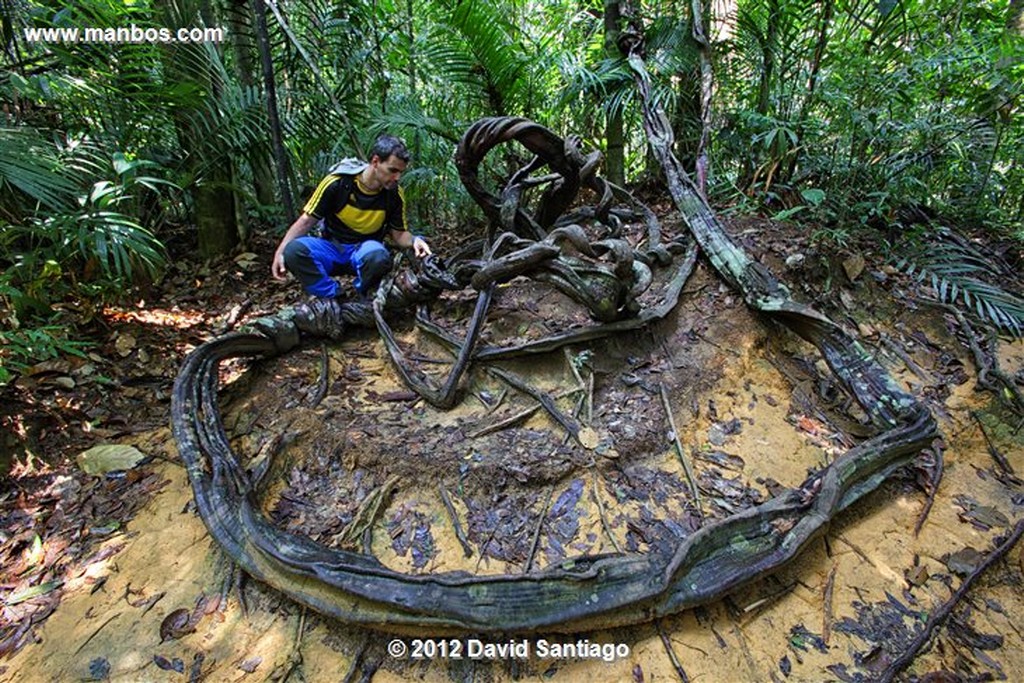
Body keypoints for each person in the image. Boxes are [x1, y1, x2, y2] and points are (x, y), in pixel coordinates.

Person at [271, 135, 432, 299]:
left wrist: (414, 240)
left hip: (364, 251)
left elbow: (398, 235)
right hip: (332, 248)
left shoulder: (394, 195)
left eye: (400, 172)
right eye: (393, 170)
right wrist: (281, 251)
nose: (397, 177)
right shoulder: (337, 183)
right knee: (294, 251)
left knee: (379, 257)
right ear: (375, 162)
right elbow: (306, 221)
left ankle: (362, 293)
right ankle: (333, 295)